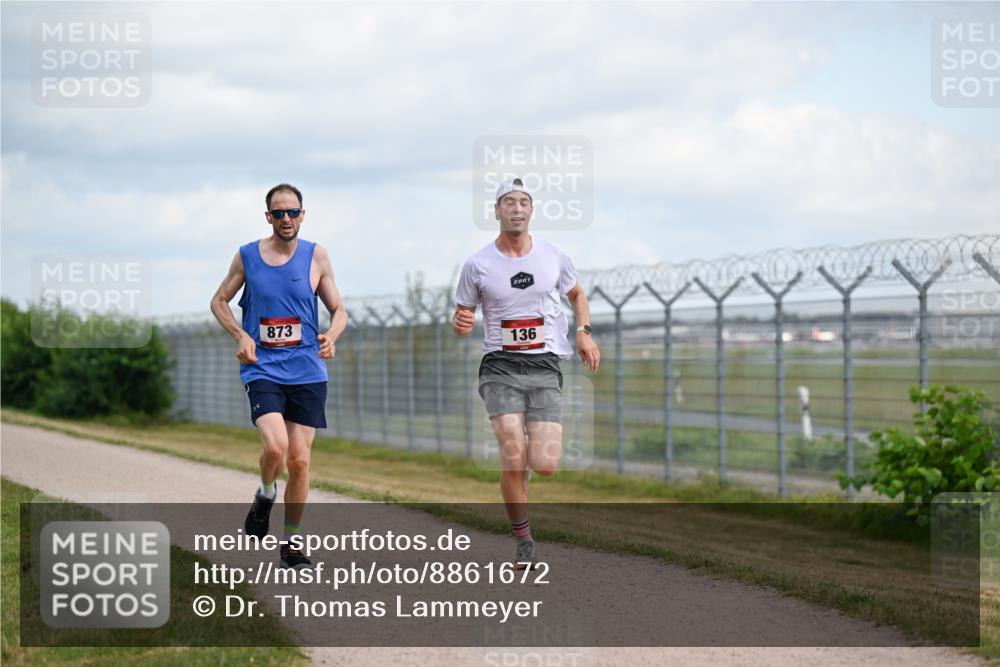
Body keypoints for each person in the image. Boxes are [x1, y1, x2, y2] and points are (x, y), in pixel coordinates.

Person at [452, 177, 600, 568]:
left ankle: (522, 478)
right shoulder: (478, 264)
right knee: (512, 454)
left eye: (524, 202)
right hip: (500, 365)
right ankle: (524, 542)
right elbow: (462, 313)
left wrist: (583, 332)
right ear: (496, 211)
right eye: (509, 202)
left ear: (531, 211)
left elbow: (577, 295)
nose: (516, 208)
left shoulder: (553, 256)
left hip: (545, 363)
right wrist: (461, 322)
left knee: (546, 463)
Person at [210, 183, 348, 568]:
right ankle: (266, 492)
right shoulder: (247, 256)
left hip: (307, 369)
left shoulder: (316, 255)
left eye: (293, 212)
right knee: (276, 448)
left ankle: (291, 544)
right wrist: (240, 334)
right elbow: (218, 300)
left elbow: (340, 310)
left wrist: (332, 336)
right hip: (263, 367)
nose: (286, 219)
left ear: (303, 215)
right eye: (279, 213)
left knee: (300, 461)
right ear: (268, 216)